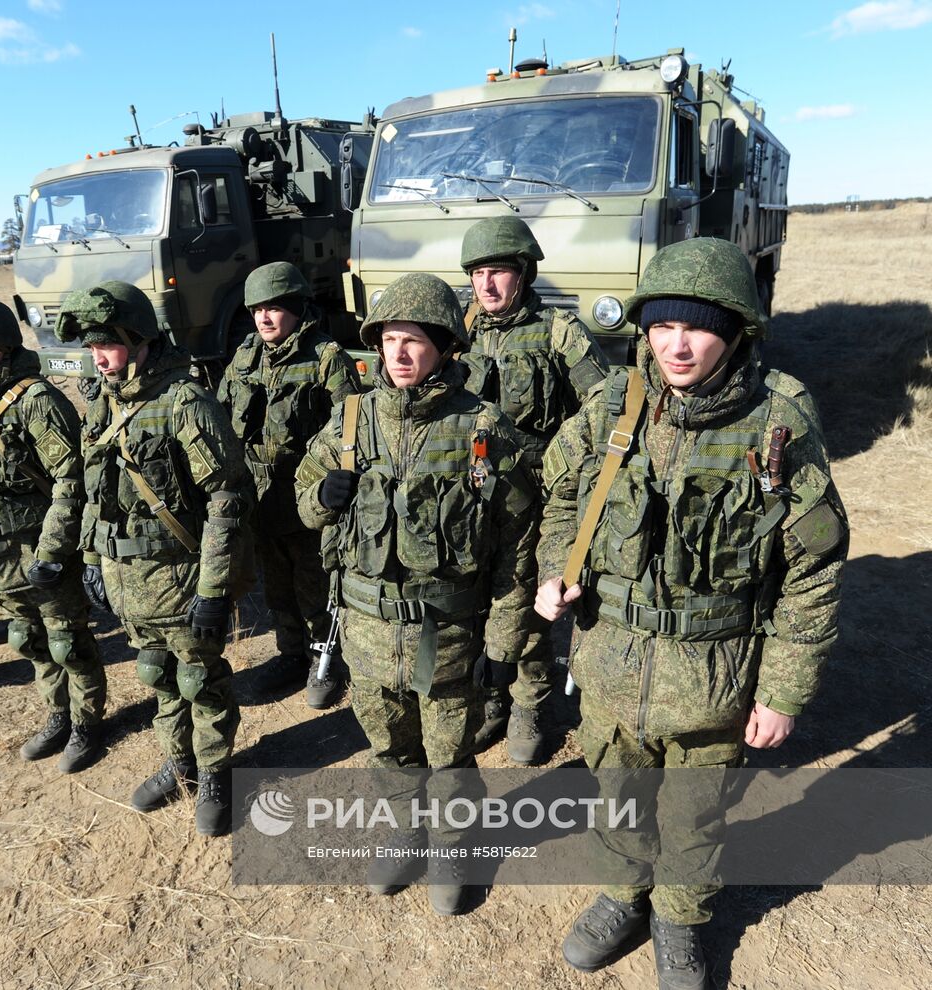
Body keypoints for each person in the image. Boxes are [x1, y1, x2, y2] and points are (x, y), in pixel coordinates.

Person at [534, 238, 848, 990]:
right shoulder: (612, 408)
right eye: (662, 326)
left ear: (736, 332)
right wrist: (556, 570)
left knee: (694, 816)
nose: (677, 345)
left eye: (699, 328)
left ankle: (679, 921)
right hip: (611, 666)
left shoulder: (778, 424)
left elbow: (812, 570)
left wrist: (783, 692)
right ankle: (623, 896)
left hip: (715, 677)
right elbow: (563, 500)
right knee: (617, 795)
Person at [294, 273, 540, 915]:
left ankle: (455, 846)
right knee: (389, 749)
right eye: (389, 340)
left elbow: (518, 545)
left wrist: (504, 642)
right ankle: (406, 831)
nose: (399, 354)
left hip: (446, 635)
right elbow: (304, 503)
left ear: (444, 345)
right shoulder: (351, 420)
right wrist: (322, 496)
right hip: (368, 632)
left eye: (414, 341)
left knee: (450, 754)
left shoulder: (483, 429)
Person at [55, 280, 253, 836]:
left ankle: (214, 772)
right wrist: (91, 556)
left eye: (107, 345)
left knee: (199, 680)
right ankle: (179, 760)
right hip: (128, 579)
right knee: (157, 675)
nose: (98, 357)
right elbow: (92, 488)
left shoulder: (184, 402)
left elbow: (226, 498)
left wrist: (214, 590)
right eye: (91, 346)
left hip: (182, 578)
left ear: (140, 341)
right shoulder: (103, 401)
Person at [458, 216, 610, 764]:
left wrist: (567, 468)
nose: (486, 284)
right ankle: (490, 693)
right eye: (477, 273)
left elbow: (604, 407)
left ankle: (531, 702)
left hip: (538, 497)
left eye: (498, 272)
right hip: (473, 496)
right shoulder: (460, 330)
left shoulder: (558, 332)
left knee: (526, 599)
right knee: (477, 597)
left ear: (523, 273)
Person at [0, 299, 105, 769]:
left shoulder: (36, 401)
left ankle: (87, 723)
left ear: (2, 345)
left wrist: (52, 550)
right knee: (28, 638)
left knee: (68, 643)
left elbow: (72, 480)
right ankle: (58, 713)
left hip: (38, 548)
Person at [216, 262, 363, 708]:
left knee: (314, 581)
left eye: (274, 308)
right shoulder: (245, 357)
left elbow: (350, 429)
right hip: (261, 496)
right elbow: (222, 414)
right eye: (257, 309)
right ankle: (290, 654)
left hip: (306, 493)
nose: (264, 318)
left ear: (297, 308)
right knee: (276, 584)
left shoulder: (326, 358)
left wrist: (334, 490)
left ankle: (325, 658)